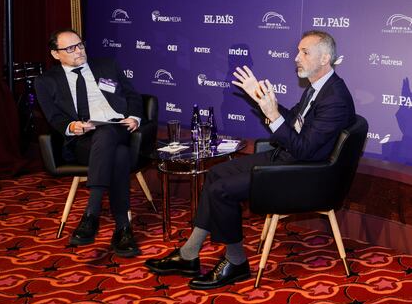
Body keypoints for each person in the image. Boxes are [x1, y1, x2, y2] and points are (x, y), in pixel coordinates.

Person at [145, 30, 356, 289]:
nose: (296, 57)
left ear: (325, 58)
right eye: (297, 51)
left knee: (222, 191)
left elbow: (304, 150)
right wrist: (262, 101)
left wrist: (273, 115)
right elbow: (299, 128)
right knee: (216, 174)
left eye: (304, 52)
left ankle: (236, 263)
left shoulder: (335, 99)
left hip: (305, 176)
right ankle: (189, 255)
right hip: (289, 161)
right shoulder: (318, 88)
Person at [35, 28, 144, 257]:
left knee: (107, 134)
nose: (78, 51)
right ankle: (123, 228)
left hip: (117, 127)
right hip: (83, 140)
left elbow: (134, 96)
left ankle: (91, 214)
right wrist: (72, 126)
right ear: (56, 54)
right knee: (120, 155)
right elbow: (54, 117)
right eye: (70, 48)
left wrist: (133, 117)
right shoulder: (46, 82)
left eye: (80, 45)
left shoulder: (107, 65)